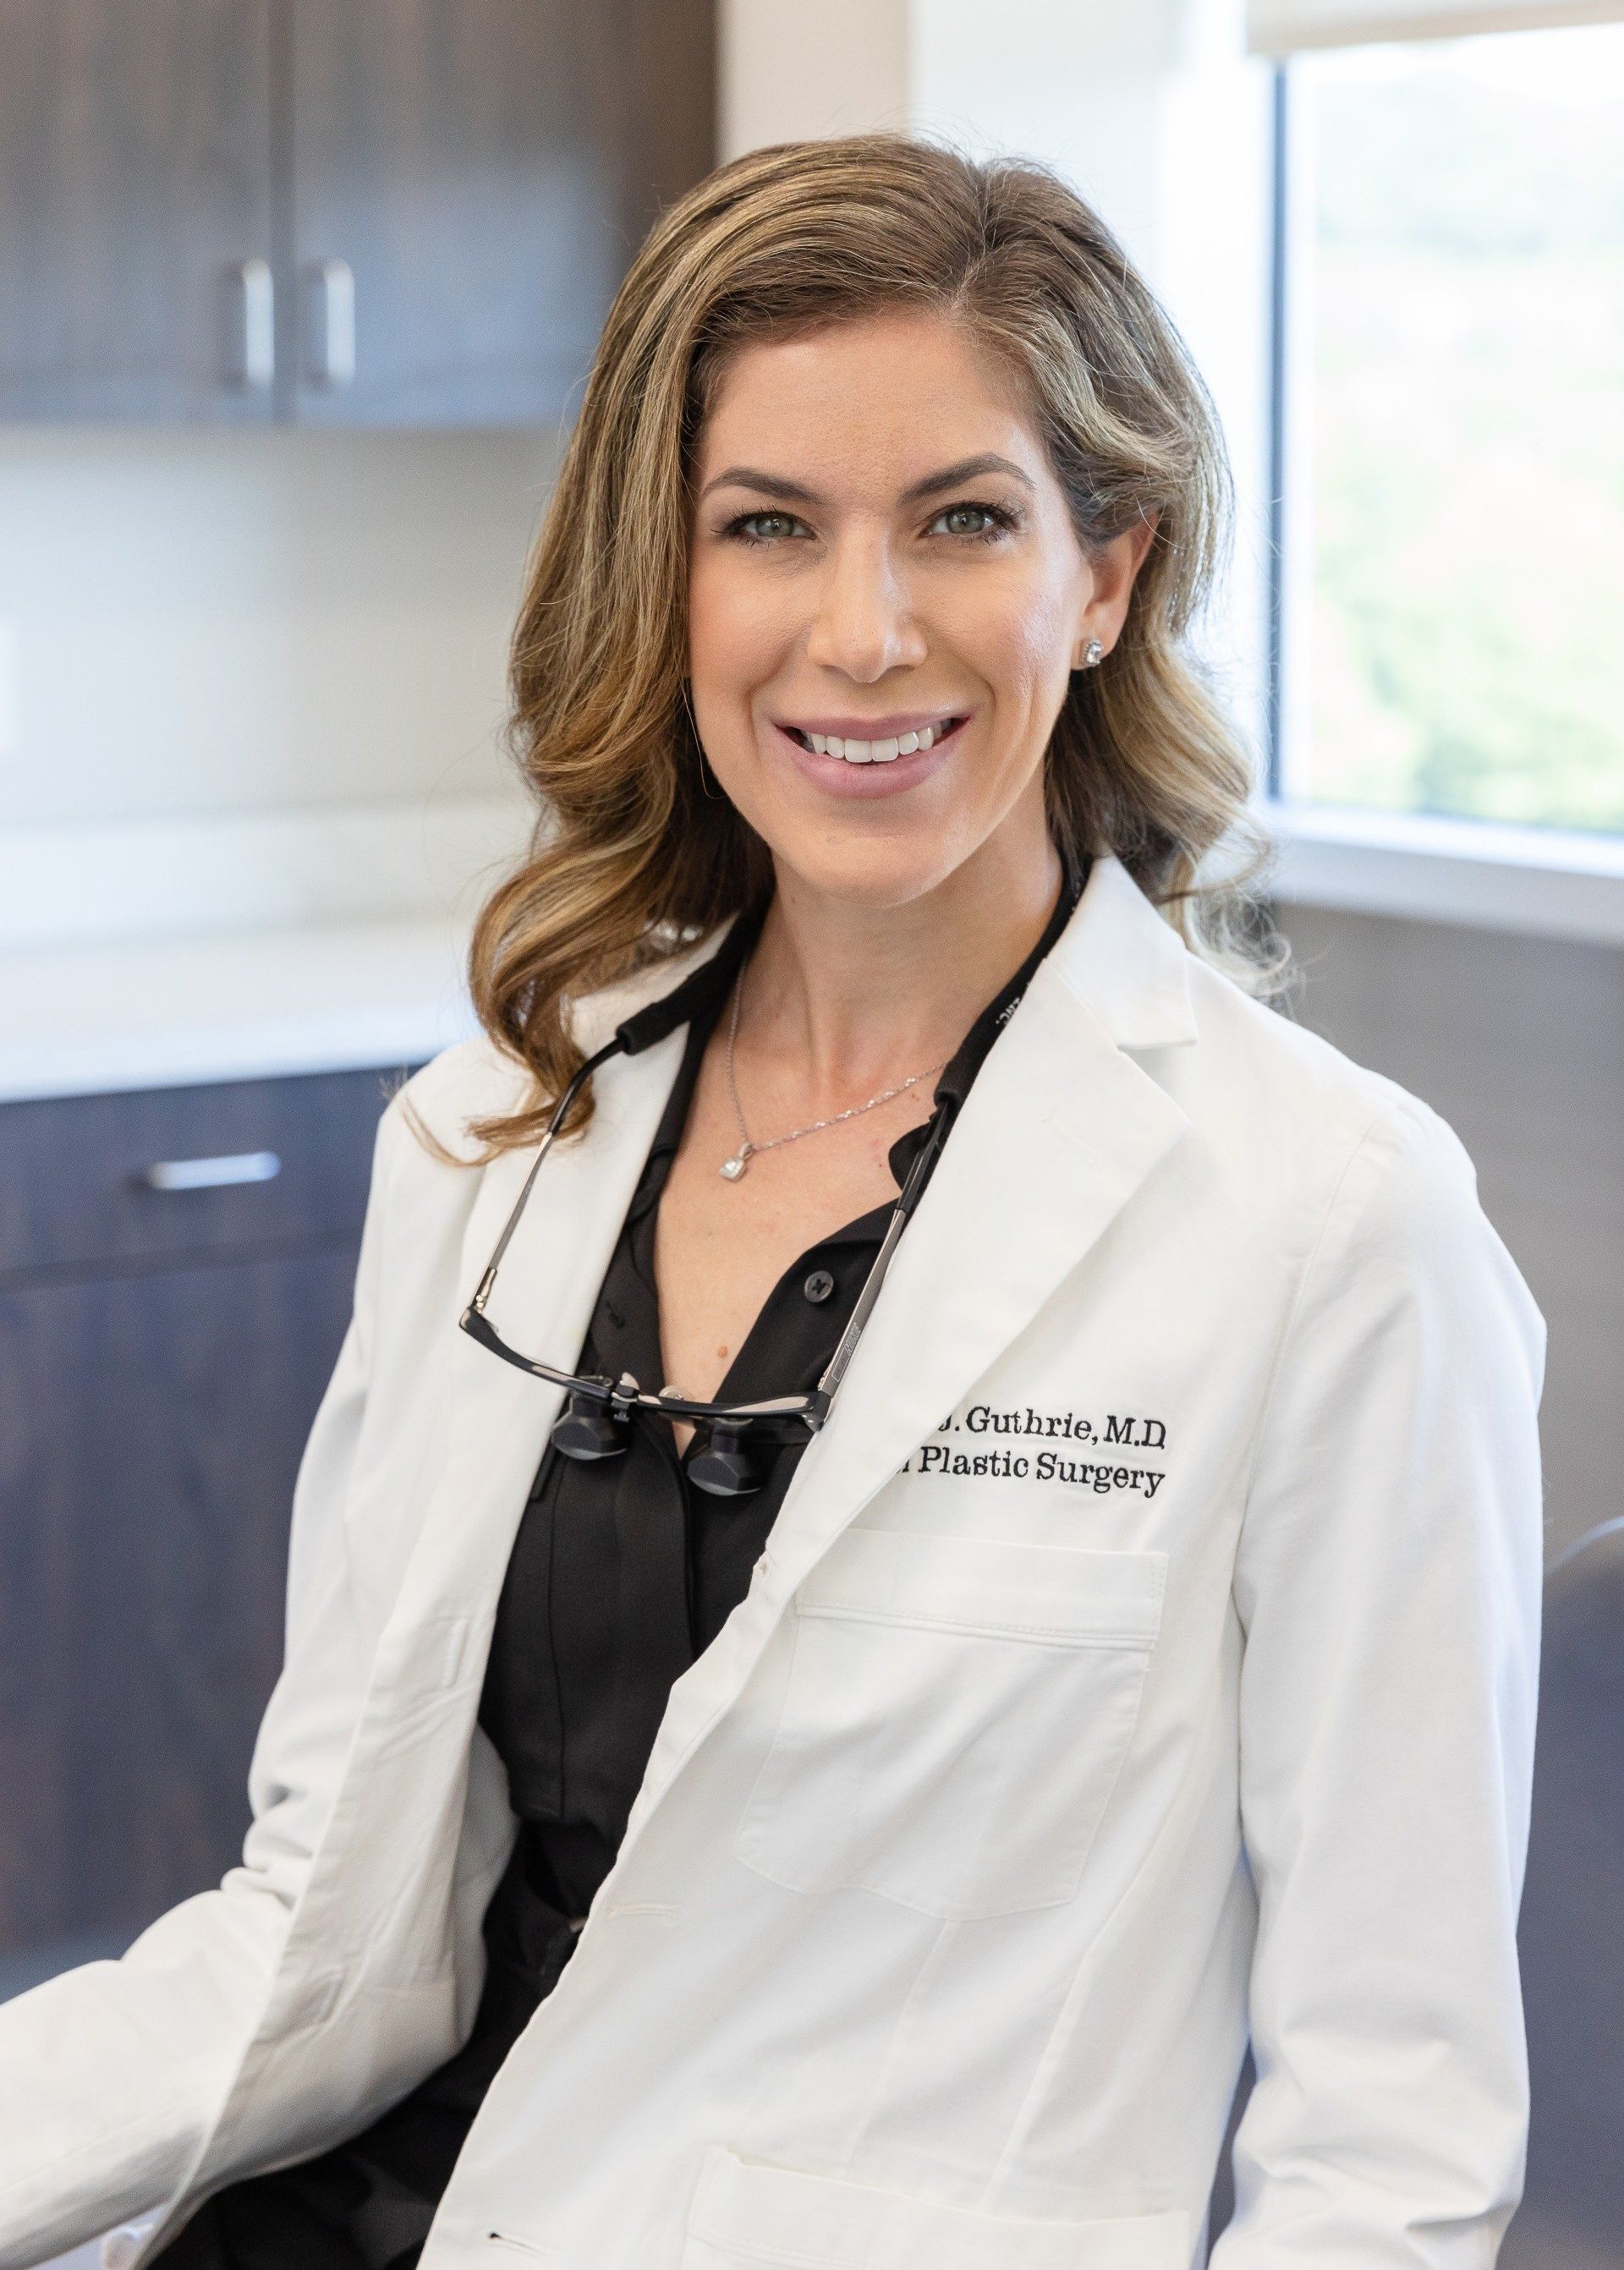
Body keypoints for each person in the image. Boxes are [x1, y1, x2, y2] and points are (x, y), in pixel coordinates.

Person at [0, 132, 1544, 2270]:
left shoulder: (1327, 1225)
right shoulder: (487, 1135)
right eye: (769, 528)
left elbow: (1390, 2146)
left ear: (1107, 575)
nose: (862, 630)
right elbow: (320, 1934)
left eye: (965, 521)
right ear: (676, 574)